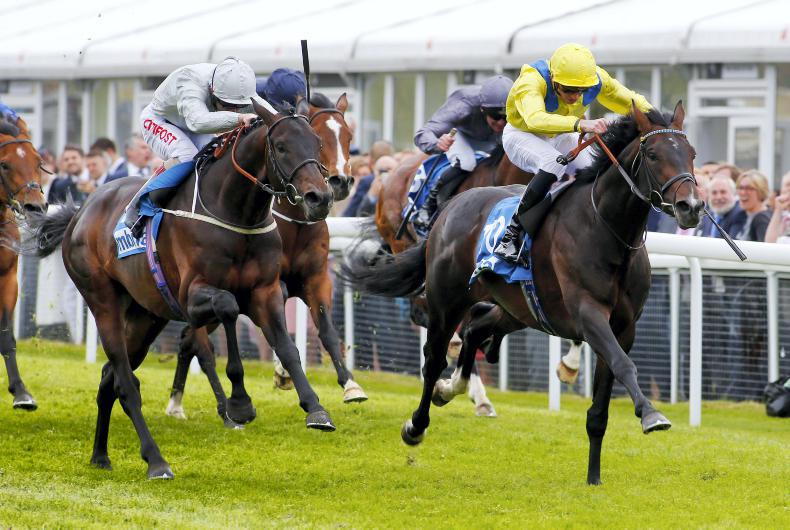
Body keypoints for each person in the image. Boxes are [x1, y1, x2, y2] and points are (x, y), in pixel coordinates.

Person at [494, 43, 653, 264]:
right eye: (569, 90)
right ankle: (512, 234)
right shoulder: (531, 80)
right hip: (522, 134)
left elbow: (632, 101)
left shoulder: (597, 79)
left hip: (561, 133)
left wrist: (660, 122)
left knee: (592, 171)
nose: (576, 96)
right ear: (554, 79)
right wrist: (580, 124)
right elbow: (535, 119)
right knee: (553, 163)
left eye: (581, 90)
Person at [124, 56, 272, 237]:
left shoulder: (237, 86)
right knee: (187, 156)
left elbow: (272, 115)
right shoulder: (190, 80)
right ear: (212, 89)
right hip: (160, 120)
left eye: (238, 107)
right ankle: (138, 203)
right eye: (227, 105)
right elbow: (198, 122)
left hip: (193, 123)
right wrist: (240, 117)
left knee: (215, 159)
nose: (232, 110)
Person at [411, 75, 514, 231]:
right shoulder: (463, 104)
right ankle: (428, 207)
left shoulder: (522, 104)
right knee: (467, 162)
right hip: (464, 136)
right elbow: (423, 133)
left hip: (497, 140)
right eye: (495, 116)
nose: (501, 122)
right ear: (482, 109)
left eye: (506, 116)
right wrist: (436, 143)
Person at [343, 140, 394, 217]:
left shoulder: (367, 181)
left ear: (370, 159)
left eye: (363, 174)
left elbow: (349, 214)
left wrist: (371, 195)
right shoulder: (400, 181)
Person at [734, 170, 771, 242]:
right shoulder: (742, 216)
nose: (743, 192)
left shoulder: (762, 219)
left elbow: (765, 247)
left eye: (748, 188)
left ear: (761, 191)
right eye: (740, 188)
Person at [765, 171, 790, 244]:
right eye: (786, 185)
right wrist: (778, 210)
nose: (788, 189)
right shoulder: (783, 216)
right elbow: (769, 243)